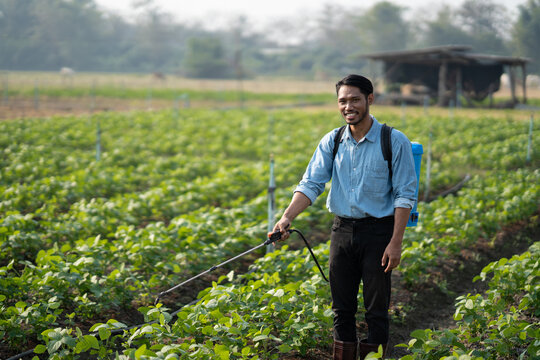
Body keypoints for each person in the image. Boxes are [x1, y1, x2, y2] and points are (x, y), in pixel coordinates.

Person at [272, 74, 417, 359]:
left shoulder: (393, 141)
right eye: (342, 101)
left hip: (379, 234)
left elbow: (404, 196)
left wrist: (396, 242)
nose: (348, 106)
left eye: (354, 100)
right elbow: (311, 183)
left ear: (369, 100)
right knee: (342, 309)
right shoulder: (333, 140)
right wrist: (287, 217)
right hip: (342, 231)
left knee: (376, 309)